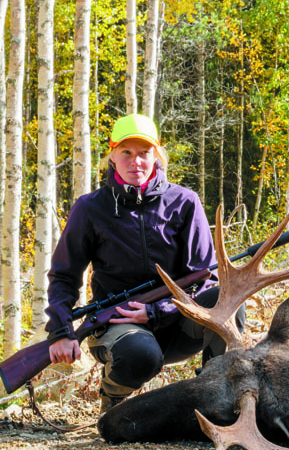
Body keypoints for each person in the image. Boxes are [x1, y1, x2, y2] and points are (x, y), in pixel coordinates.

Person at [45, 113, 245, 413]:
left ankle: (216, 399)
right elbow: (64, 276)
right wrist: (60, 331)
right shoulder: (90, 208)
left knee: (229, 299)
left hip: (178, 323)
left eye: (144, 153)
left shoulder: (184, 201)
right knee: (140, 355)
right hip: (119, 327)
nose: (135, 161)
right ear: (112, 155)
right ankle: (113, 401)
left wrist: (156, 311)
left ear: (157, 154)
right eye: (126, 152)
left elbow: (205, 279)